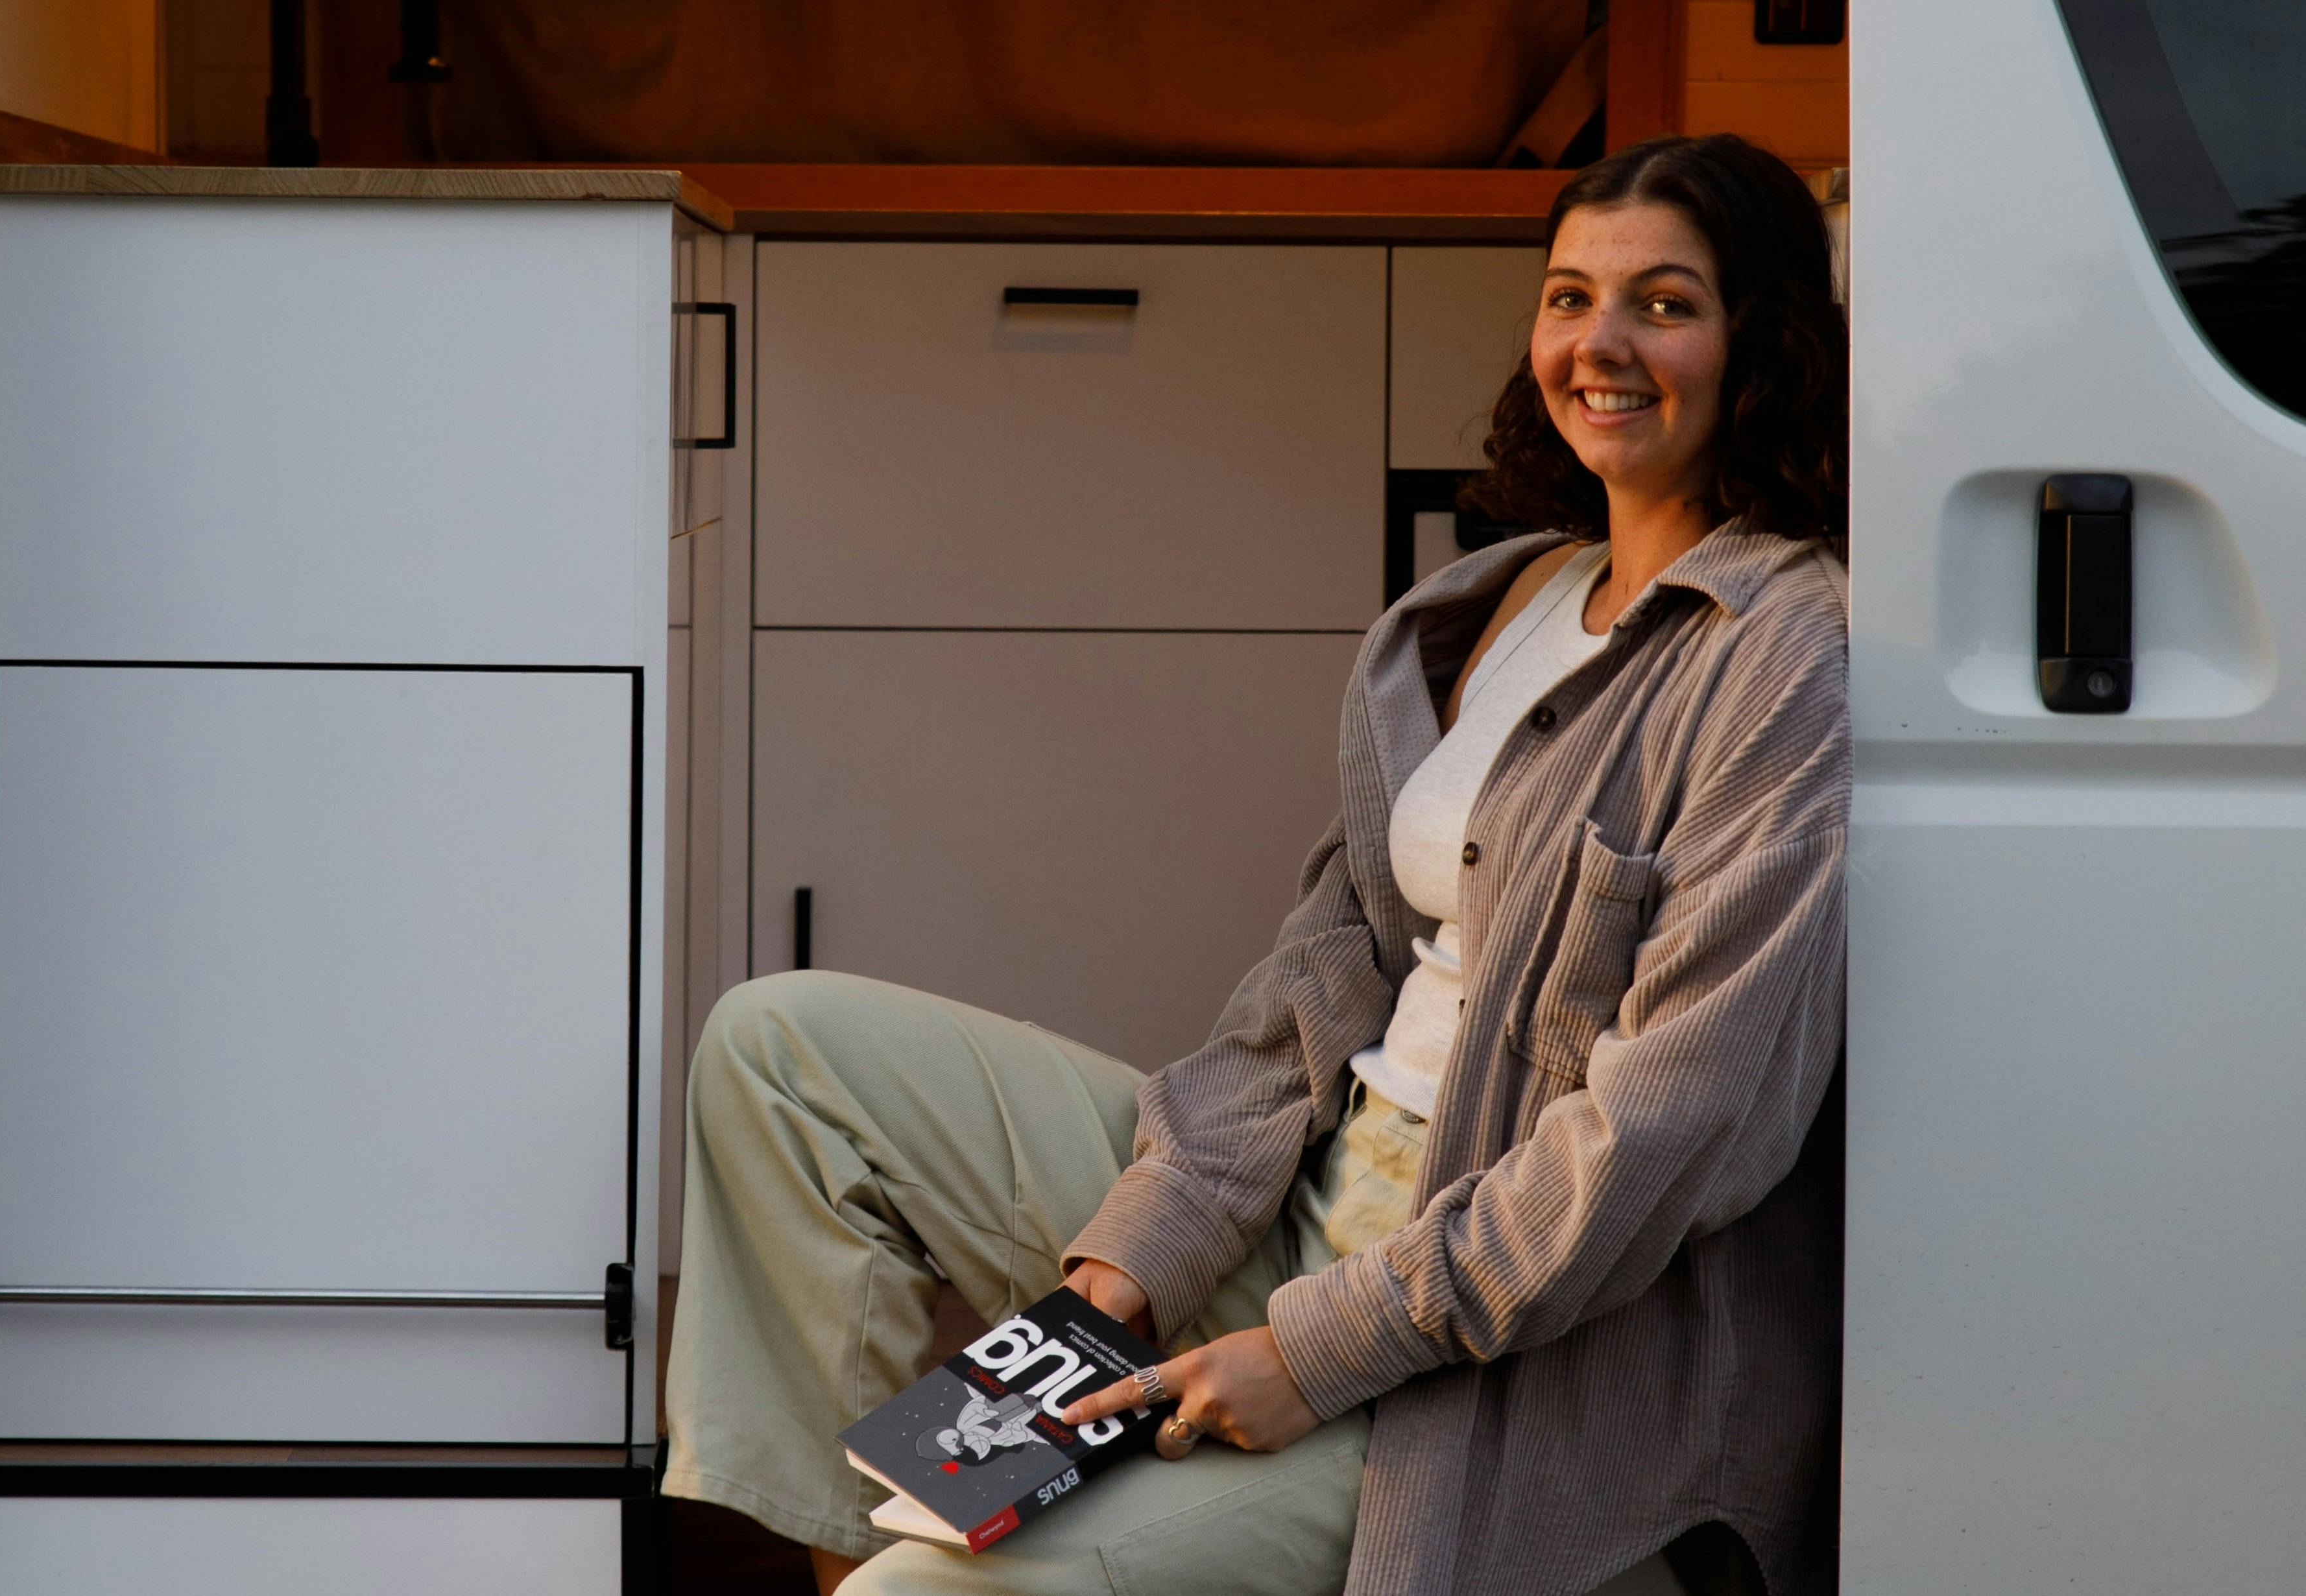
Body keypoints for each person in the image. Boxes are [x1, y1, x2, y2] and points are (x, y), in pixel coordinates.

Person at [662, 132, 1850, 1596]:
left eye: (1663, 303)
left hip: (1493, 1344)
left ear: (1763, 341)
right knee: (778, 1051)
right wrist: (1127, 1265)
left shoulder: (1778, 651)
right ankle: (861, 1551)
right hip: (1303, 1186)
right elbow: (1313, 987)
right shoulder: (1500, 602)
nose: (1597, 342)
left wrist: (1313, 1346)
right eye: (1565, 296)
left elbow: (1671, 1132)